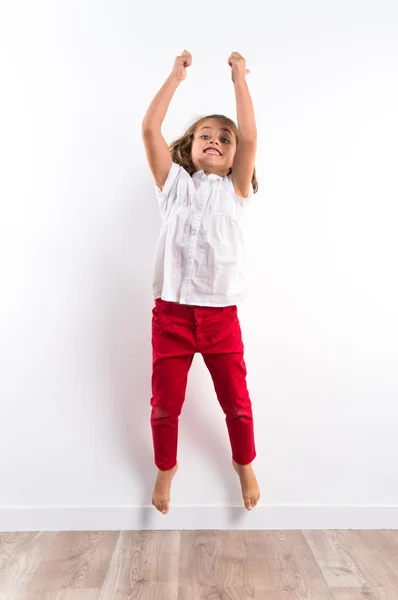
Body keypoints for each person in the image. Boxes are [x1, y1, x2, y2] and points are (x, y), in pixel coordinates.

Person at [141, 50, 260, 515]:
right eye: (204, 135)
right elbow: (150, 130)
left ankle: (244, 461)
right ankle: (166, 468)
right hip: (170, 316)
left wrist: (239, 81)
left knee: (237, 403)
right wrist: (174, 77)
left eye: (223, 138)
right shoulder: (173, 187)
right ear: (188, 147)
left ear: (235, 158)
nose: (215, 140)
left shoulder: (236, 190)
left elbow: (249, 134)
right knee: (165, 404)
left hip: (220, 318)